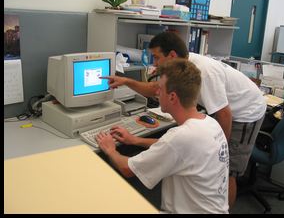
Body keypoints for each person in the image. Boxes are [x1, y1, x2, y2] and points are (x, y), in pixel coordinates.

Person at [102, 32, 267, 209]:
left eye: (157, 57)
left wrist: (219, 155)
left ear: (172, 55)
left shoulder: (205, 73)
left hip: (245, 112)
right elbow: (178, 145)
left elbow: (224, 114)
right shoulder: (205, 122)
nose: (154, 63)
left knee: (229, 172)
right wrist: (127, 81)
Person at [96, 58, 229, 214]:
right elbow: (172, 147)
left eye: (159, 88)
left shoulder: (181, 137)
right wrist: (135, 140)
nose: (156, 92)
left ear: (172, 97)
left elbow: (127, 169)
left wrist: (111, 150)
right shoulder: (210, 123)